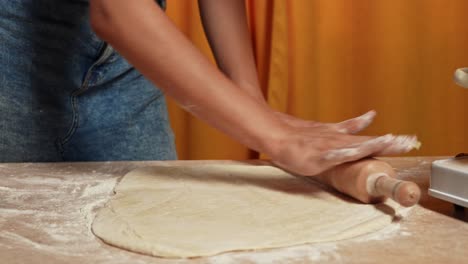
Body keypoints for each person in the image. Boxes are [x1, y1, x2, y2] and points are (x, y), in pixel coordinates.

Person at [0, 0, 418, 176]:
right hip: (19, 55)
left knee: (150, 222)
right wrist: (277, 137)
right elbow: (116, 9)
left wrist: (254, 103)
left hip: (131, 61)